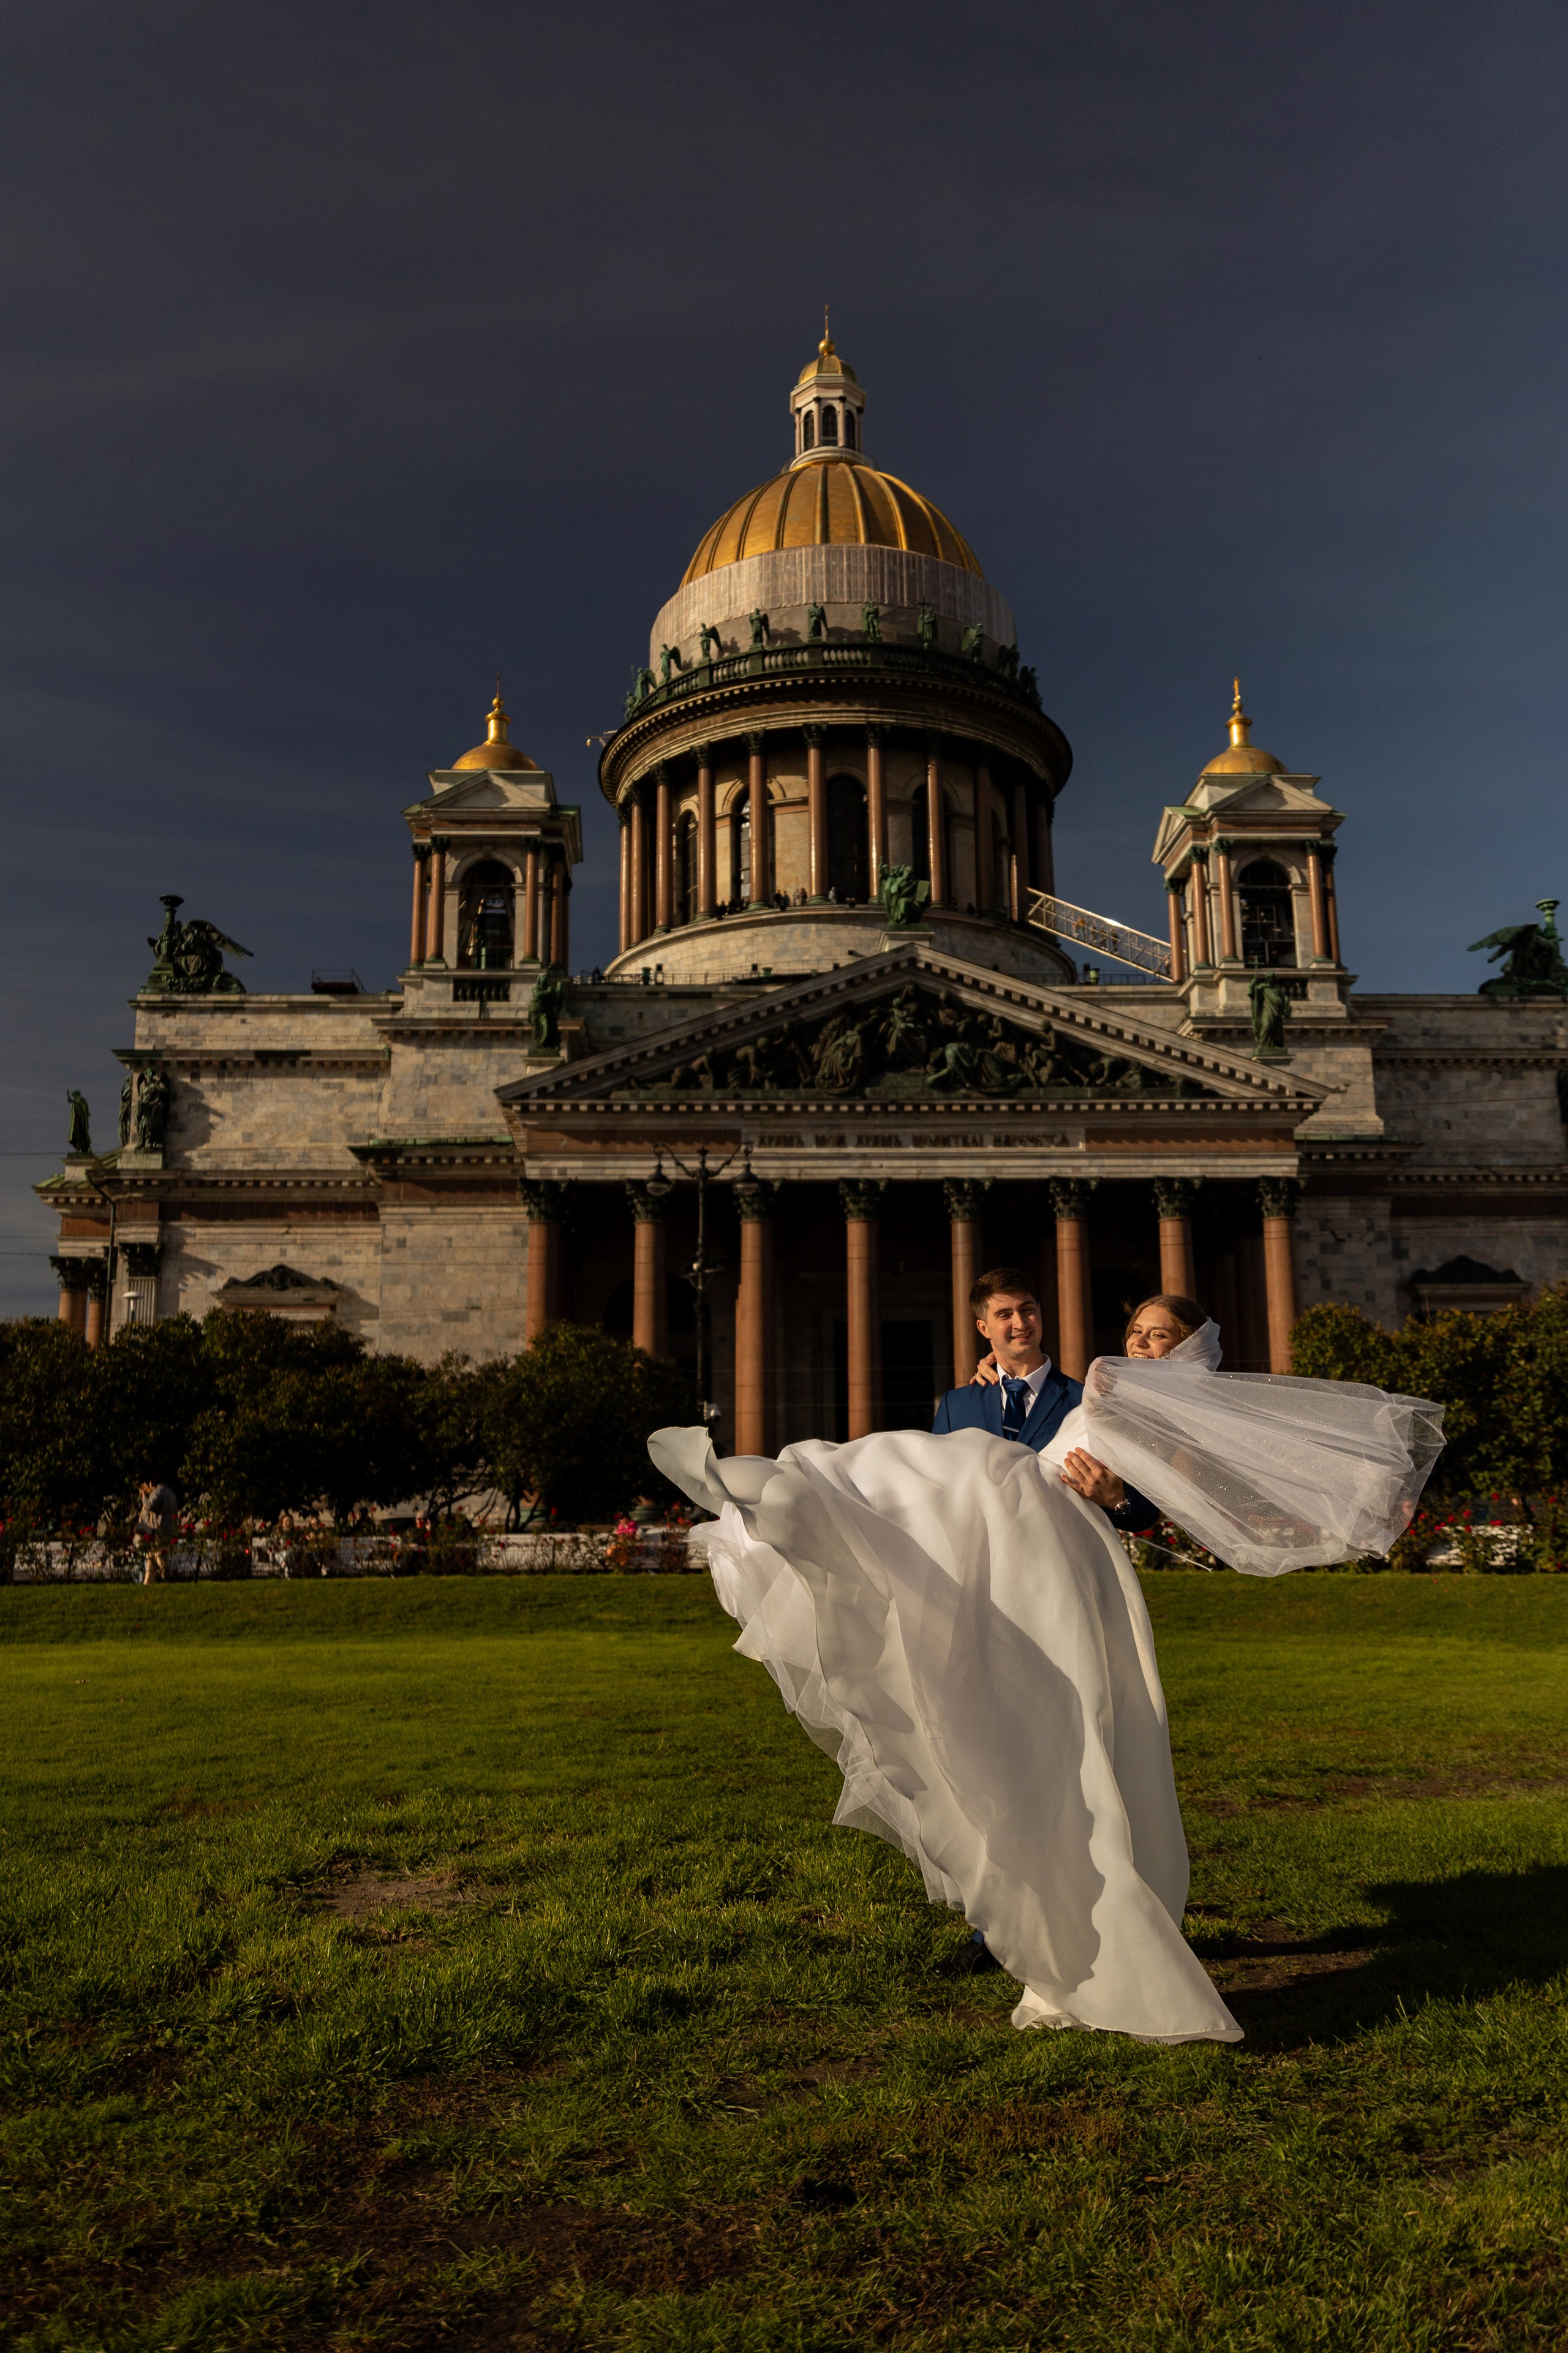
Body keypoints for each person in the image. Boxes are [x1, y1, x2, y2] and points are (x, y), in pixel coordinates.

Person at [650, 1291, 1441, 2045]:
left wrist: (1119, 1496)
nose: (1139, 1343)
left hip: (1062, 1545)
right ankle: (784, 1502)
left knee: (1079, 1720)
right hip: (1034, 1526)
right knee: (931, 1513)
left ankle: (1095, 1925)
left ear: (1193, 1346)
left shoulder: (1155, 1398)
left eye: (1159, 1334)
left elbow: (1165, 1497)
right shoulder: (1111, 1378)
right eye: (1136, 1330)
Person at [934, 1267, 1160, 1538]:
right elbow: (936, 1494)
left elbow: (1144, 1512)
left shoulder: (1088, 1403)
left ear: (1040, 1312)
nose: (1021, 1323)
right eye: (1005, 1315)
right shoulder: (955, 1406)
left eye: (1027, 1309)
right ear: (984, 1328)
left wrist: (1115, 1499)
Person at [135, 1478, 178, 1584]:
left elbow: (149, 1506)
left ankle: (166, 1576)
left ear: (152, 1484)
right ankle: (148, 1581)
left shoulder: (158, 1492)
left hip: (159, 1528)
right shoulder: (170, 1492)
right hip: (169, 1527)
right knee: (151, 1555)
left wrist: (144, 1497)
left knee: (158, 1554)